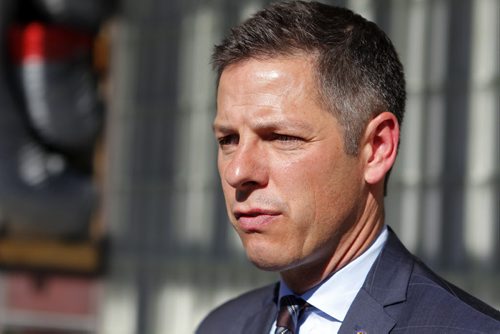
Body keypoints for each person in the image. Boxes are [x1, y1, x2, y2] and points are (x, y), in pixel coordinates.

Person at [197, 1, 500, 333]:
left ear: (376, 149)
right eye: (228, 139)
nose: (238, 172)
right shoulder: (221, 325)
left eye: (282, 137)